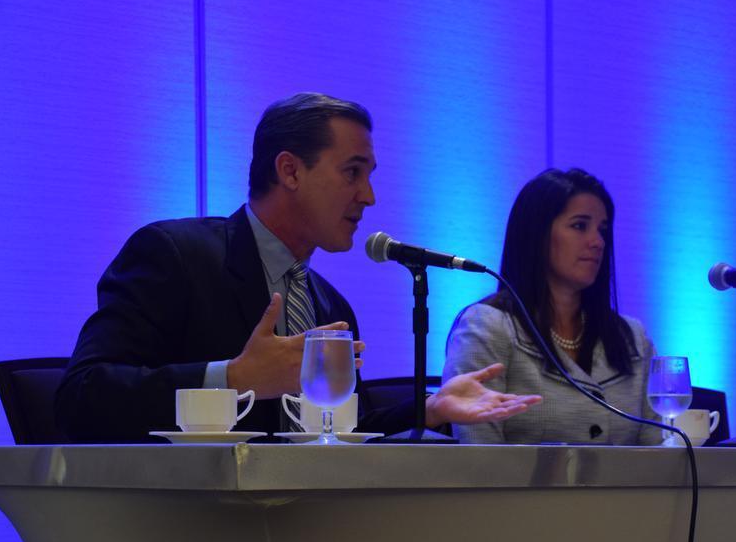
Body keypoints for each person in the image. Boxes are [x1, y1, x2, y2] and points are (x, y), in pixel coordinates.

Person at [57, 92, 540, 442]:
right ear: (289, 171)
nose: (368, 197)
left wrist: (430, 409)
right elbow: (80, 399)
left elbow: (337, 433)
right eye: (352, 172)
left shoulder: (330, 303)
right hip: (191, 537)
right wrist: (232, 379)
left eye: (370, 177)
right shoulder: (173, 255)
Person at [442, 168, 663, 445]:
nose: (598, 242)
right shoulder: (487, 327)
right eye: (580, 226)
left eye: (602, 230)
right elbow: (479, 457)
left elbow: (660, 456)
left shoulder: (633, 338)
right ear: (537, 234)